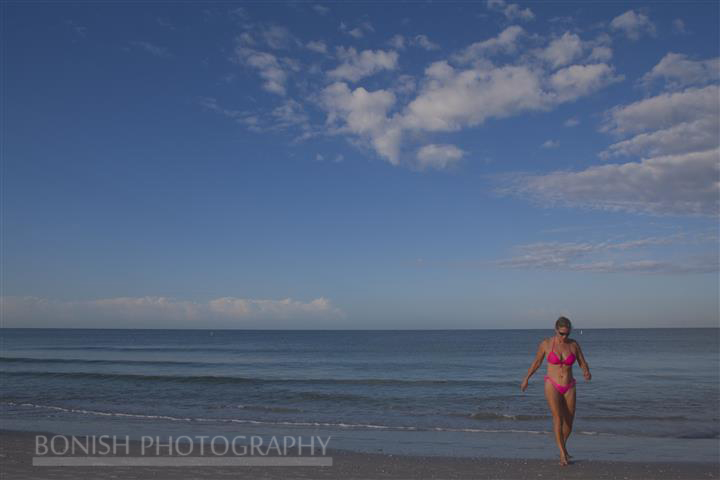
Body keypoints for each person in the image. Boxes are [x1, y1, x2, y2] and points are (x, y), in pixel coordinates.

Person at [520, 317, 591, 466]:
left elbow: (582, 362)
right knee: (558, 418)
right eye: (561, 333)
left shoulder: (573, 344)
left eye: (567, 334)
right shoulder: (546, 344)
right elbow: (537, 362)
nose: (564, 337)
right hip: (552, 384)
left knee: (569, 423)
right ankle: (562, 454)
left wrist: (586, 371)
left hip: (569, 385)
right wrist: (526, 378)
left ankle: (563, 446)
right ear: (555, 329)